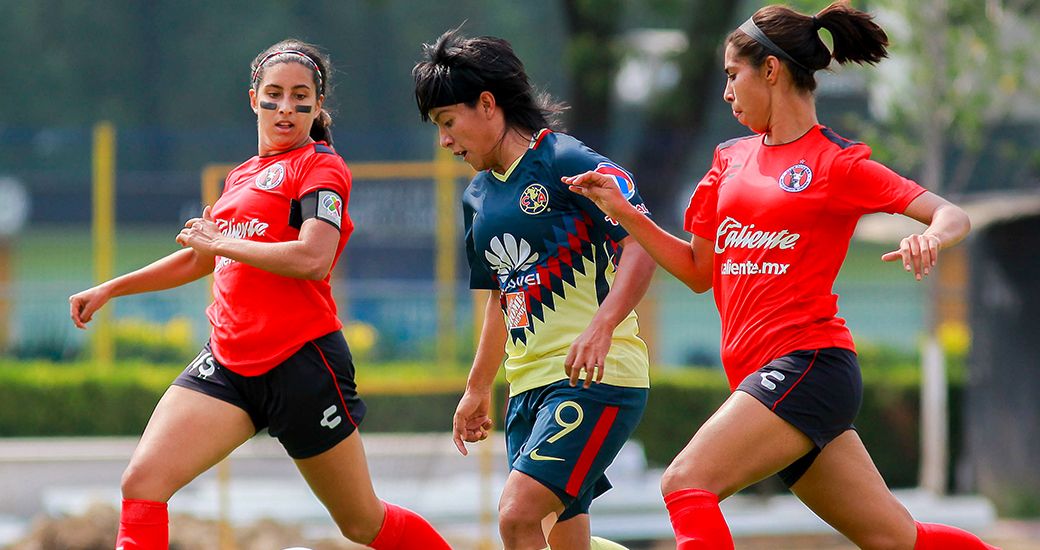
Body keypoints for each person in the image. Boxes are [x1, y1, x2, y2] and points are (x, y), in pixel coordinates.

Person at [565, 2, 1001, 549]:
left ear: (770, 70)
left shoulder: (836, 163)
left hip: (809, 364)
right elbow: (700, 273)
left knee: (684, 482)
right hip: (770, 379)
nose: (726, 93)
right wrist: (626, 215)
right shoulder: (728, 160)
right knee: (894, 538)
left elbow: (950, 214)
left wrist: (930, 237)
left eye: (732, 75)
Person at [69, 39, 452, 550]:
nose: (287, 107)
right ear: (254, 98)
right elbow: (202, 257)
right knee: (142, 484)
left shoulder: (320, 167)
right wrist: (112, 287)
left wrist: (224, 239)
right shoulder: (241, 176)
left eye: (301, 96)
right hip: (229, 363)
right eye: (274, 94)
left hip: (301, 364)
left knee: (363, 524)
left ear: (318, 106)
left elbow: (314, 257)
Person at [412, 29, 658, 550]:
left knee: (516, 518)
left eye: (447, 122)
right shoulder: (477, 196)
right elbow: (504, 297)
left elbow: (642, 242)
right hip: (526, 392)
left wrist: (602, 326)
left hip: (593, 378)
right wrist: (478, 388)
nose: (445, 141)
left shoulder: (565, 161)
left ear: (487, 104)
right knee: (566, 542)